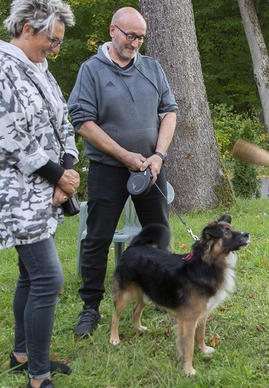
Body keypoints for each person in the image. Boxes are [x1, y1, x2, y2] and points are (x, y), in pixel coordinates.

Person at [0, 0, 79, 388]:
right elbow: (12, 139)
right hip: (13, 193)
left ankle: (22, 355)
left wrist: (66, 165)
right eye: (52, 39)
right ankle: (38, 379)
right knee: (48, 277)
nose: (55, 48)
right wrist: (60, 178)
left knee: (31, 275)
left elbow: (63, 122)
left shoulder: (40, 70)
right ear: (27, 29)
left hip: (45, 188)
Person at [67, 6, 178, 337]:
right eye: (130, 35)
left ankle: (162, 293)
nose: (135, 43)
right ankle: (90, 307)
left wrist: (158, 154)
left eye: (141, 37)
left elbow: (169, 111)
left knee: (159, 232)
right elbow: (83, 123)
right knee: (98, 237)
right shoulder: (92, 70)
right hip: (108, 169)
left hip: (151, 168)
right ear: (112, 30)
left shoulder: (152, 68)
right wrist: (123, 155)